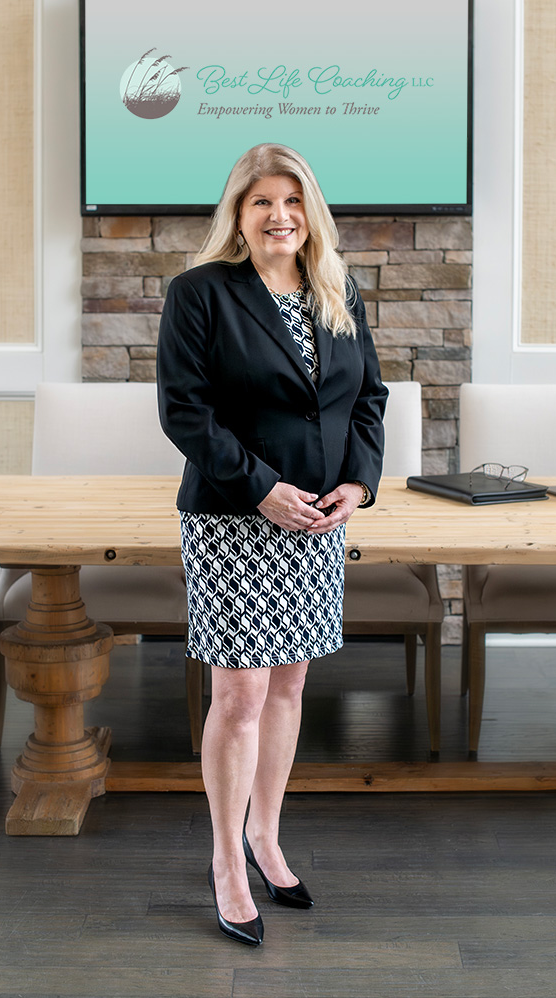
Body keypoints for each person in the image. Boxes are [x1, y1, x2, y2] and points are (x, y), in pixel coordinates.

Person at [157, 143, 387, 946]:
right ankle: (225, 859)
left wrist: (356, 486)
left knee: (287, 691)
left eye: (292, 200)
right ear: (237, 214)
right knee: (240, 696)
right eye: (261, 202)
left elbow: (369, 400)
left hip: (319, 523)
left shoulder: (338, 290)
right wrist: (261, 488)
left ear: (310, 209)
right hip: (232, 518)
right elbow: (186, 413)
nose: (279, 215)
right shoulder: (198, 294)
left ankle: (266, 836)